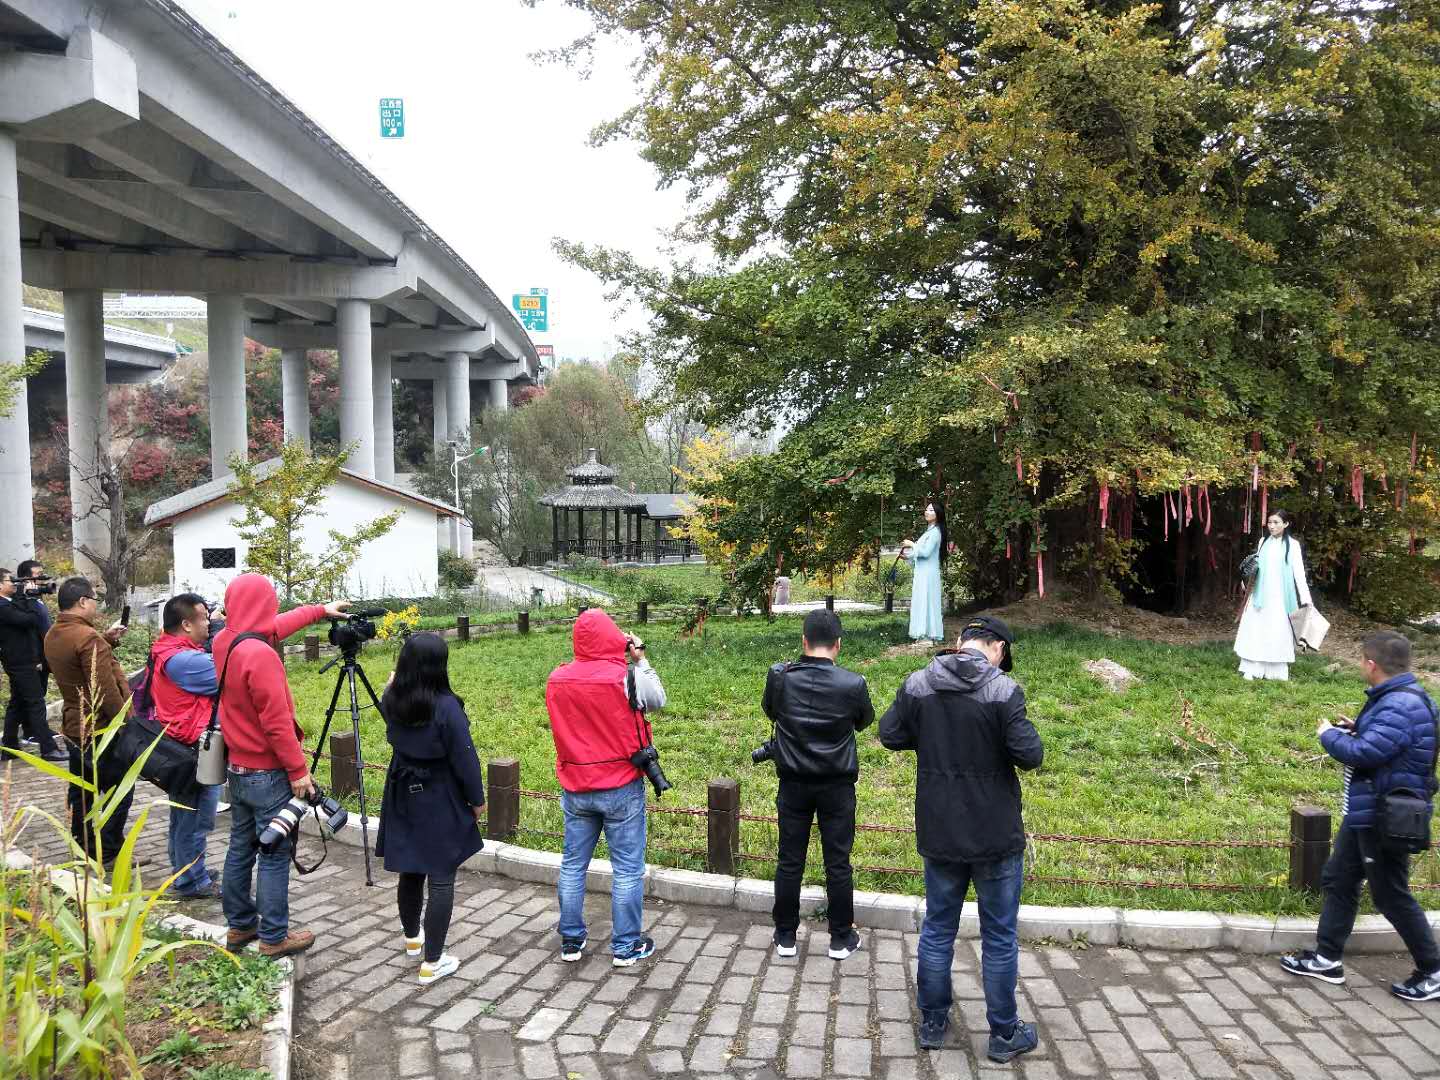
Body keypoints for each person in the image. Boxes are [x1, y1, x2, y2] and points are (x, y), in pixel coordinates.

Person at [879, 615, 1043, 1062]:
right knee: (999, 936)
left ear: (959, 642)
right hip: (995, 833)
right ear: (997, 649)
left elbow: (890, 734)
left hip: (941, 828)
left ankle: (932, 1023)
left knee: (937, 928)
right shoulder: (1004, 692)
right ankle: (1004, 1033)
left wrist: (930, 735)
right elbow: (1030, 755)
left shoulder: (919, 683)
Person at [1281, 631, 1440, 1001]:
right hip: (1366, 812)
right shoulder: (1403, 699)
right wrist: (1358, 727)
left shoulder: (1398, 705)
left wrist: (1328, 736)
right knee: (1339, 878)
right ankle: (1327, 958)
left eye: (1362, 661)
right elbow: (1391, 745)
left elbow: (1366, 753)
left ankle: (1432, 970)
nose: (1360, 666)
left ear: (1372, 665)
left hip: (1384, 816)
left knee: (1391, 895)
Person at [213, 573, 348, 958]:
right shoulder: (261, 656)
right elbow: (276, 723)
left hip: (237, 767)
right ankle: (274, 936)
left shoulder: (225, 640)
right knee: (273, 852)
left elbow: (272, 626)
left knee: (241, 846)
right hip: (268, 772)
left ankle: (240, 927)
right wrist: (298, 771)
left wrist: (321, 611)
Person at [546, 608, 666, 967]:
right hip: (621, 786)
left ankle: (570, 941)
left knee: (572, 865)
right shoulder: (627, 676)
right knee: (627, 869)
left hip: (577, 784)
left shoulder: (558, 679)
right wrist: (639, 659)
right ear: (614, 637)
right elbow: (657, 699)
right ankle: (626, 946)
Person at [761, 608, 874, 959]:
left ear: (804, 641)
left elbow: (771, 711)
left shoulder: (780, 677)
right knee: (838, 862)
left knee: (789, 860)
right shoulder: (853, 684)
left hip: (793, 782)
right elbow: (864, 721)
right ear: (838, 645)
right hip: (837, 785)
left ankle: (785, 937)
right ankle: (841, 938)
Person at [376, 632, 486, 986]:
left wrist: (391, 685)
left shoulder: (393, 698)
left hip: (401, 790)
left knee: (411, 867)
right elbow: (465, 759)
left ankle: (412, 940)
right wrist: (477, 799)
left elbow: (388, 712)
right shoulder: (446, 706)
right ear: (439, 666)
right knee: (441, 875)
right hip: (438, 793)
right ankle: (432, 961)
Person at [43, 576, 134, 867]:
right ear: (83, 601)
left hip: (73, 725)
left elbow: (78, 664)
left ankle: (82, 844)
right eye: (95, 599)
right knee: (121, 788)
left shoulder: (54, 633)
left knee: (81, 788)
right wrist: (125, 724)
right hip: (100, 727)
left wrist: (105, 641)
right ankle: (107, 851)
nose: (96, 605)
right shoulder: (87, 638)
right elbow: (105, 691)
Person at [149, 593, 223, 899]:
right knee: (195, 817)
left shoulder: (172, 649)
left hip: (186, 744)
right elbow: (231, 671)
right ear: (186, 624)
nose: (209, 622)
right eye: (204, 618)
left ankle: (187, 870)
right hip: (195, 749)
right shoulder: (184, 660)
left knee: (183, 815)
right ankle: (192, 881)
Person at [1234, 509, 1313, 681]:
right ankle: (1252, 668)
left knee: (1278, 631)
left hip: (1281, 597)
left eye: (1276, 522)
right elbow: (1257, 566)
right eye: (1270, 522)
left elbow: (1299, 574)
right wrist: (1247, 581)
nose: (1272, 526)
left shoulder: (1293, 545)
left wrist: (1307, 600)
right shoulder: (1263, 541)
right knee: (1256, 630)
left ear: (1286, 524)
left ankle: (1275, 671)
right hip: (1260, 594)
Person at [0, 567, 66, 762]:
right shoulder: (2, 606)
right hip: (19, 662)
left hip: (21, 660)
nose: (13, 583)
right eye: (9, 580)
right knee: (36, 703)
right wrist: (27, 597)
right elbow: (28, 619)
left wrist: (26, 595)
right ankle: (48, 749)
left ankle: (9, 746)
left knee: (17, 703)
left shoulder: (9, 603)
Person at [901, 503, 944, 643]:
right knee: (921, 601)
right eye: (926, 509)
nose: (927, 511)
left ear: (938, 514)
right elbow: (920, 552)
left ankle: (928, 635)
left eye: (931, 510)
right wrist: (907, 556)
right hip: (922, 573)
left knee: (927, 601)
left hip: (928, 574)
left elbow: (925, 552)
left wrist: (911, 544)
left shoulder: (936, 532)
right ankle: (922, 634)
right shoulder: (928, 532)